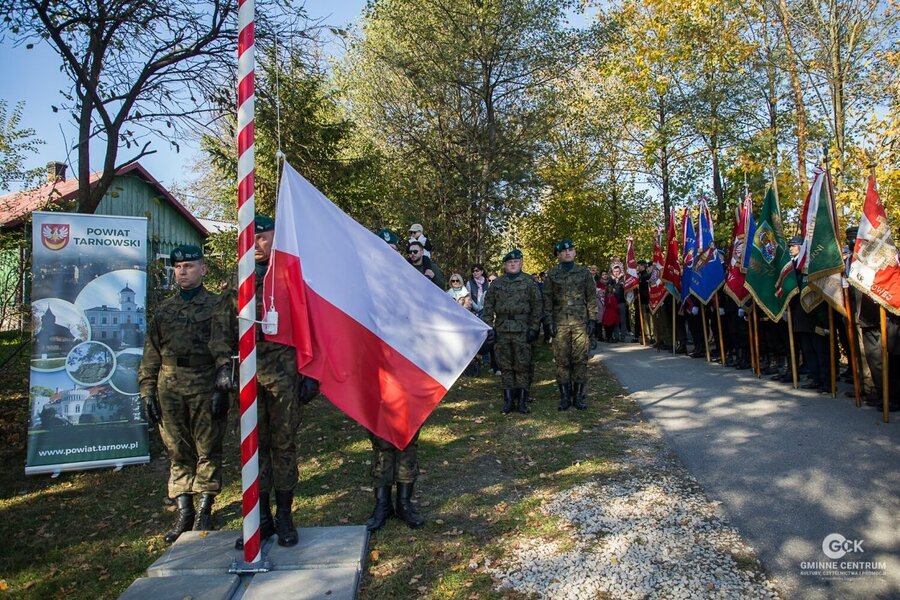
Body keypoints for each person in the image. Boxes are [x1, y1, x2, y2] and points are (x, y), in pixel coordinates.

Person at [208, 216, 319, 548]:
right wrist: (224, 368)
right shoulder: (236, 284)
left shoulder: (289, 280)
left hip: (284, 374)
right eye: (251, 238)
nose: (256, 244)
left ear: (275, 238)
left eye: (263, 237)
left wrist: (310, 373)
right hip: (248, 377)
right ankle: (261, 519)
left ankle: (284, 515)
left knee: (283, 445)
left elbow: (310, 328)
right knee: (253, 448)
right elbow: (221, 334)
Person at [139, 245, 226, 544]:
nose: (183, 271)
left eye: (189, 266)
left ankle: (205, 506)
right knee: (177, 448)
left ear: (203, 268)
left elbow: (227, 350)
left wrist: (222, 387)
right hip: (170, 385)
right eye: (178, 267)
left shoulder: (217, 306)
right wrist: (147, 390)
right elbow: (151, 352)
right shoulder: (164, 310)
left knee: (207, 446)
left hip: (204, 383)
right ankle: (184, 510)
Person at [366, 228, 428, 532]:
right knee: (380, 440)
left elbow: (434, 317)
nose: (388, 253)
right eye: (383, 247)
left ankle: (404, 501)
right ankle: (382, 503)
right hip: (375, 372)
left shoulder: (413, 284)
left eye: (393, 248)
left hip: (407, 371)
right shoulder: (362, 286)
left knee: (407, 438)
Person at [481, 249, 542, 414]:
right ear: (505, 265)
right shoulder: (497, 284)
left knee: (522, 365)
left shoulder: (529, 283)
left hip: (522, 329)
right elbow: (488, 308)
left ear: (521, 263)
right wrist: (488, 328)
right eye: (509, 262)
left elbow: (537, 307)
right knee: (506, 366)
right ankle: (508, 401)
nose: (513, 264)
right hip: (502, 329)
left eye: (516, 261)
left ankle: (522, 401)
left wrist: (534, 328)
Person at [543, 239, 597, 410]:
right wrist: (548, 322)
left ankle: (578, 396)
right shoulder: (552, 274)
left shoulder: (584, 273)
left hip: (580, 322)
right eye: (564, 251)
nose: (568, 253)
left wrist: (593, 319)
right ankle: (565, 396)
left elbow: (591, 297)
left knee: (580, 360)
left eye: (571, 250)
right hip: (560, 324)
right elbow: (547, 300)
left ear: (574, 252)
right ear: (558, 255)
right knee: (562, 361)